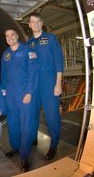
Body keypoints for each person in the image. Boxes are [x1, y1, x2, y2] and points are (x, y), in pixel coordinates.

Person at [27, 12, 63, 161]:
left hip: (49, 82)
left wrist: (58, 84)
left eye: (37, 21)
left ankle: (54, 145)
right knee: (32, 113)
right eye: (32, 22)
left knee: (52, 116)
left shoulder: (51, 39)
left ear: (41, 23)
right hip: (34, 85)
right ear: (29, 25)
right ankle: (34, 139)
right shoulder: (28, 44)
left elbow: (59, 61)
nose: (35, 24)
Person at [1, 28, 38, 172]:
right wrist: (4, 93)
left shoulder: (28, 51)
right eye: (7, 36)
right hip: (10, 96)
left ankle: (24, 157)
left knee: (25, 127)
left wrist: (29, 92)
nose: (10, 38)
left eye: (12, 35)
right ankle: (15, 148)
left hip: (24, 96)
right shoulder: (6, 55)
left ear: (17, 36)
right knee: (13, 125)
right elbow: (3, 75)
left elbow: (33, 73)